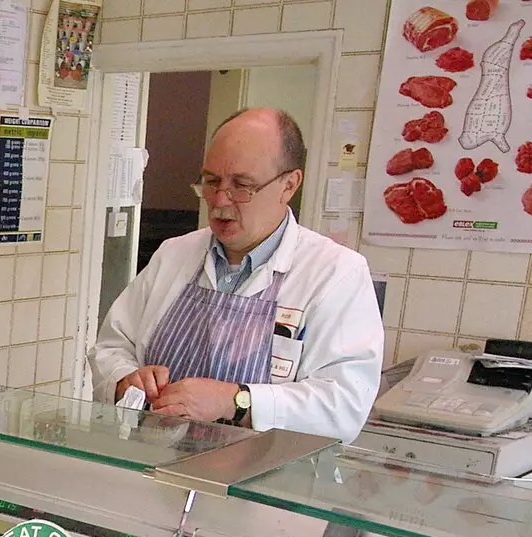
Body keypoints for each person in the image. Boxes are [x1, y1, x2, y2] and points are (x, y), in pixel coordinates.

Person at [88, 108, 382, 443]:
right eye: (211, 181)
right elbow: (112, 346)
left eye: (242, 185)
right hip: (155, 470)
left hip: (262, 486)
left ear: (289, 184)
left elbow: (344, 406)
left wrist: (236, 401)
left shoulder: (336, 273)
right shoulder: (175, 254)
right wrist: (127, 379)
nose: (219, 200)